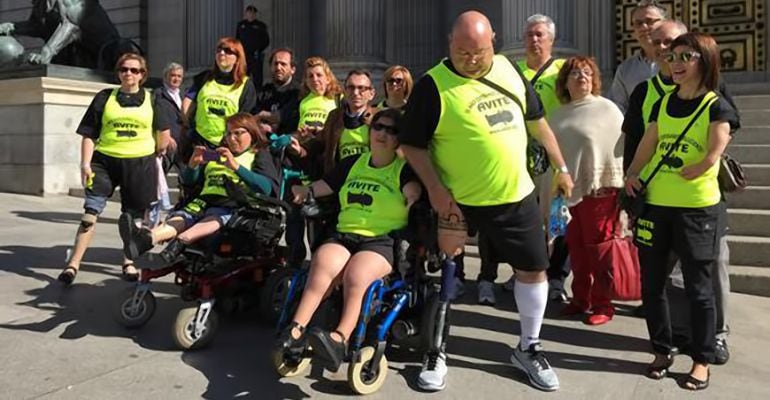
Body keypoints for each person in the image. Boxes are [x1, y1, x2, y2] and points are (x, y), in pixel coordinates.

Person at [399, 11, 574, 392]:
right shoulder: (433, 85)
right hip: (457, 201)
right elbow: (411, 145)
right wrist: (436, 190)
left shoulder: (510, 71)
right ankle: (436, 349)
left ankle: (529, 347)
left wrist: (561, 166)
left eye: (479, 52)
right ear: (449, 43)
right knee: (447, 270)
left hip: (515, 195)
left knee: (533, 269)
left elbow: (537, 121)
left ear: (493, 40)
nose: (472, 60)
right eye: (463, 53)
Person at [624, 32, 739, 391]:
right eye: (672, 56)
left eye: (685, 56)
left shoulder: (715, 104)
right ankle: (661, 349)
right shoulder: (663, 103)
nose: (675, 63)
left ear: (704, 61)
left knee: (699, 289)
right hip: (657, 205)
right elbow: (648, 142)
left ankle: (702, 359)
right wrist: (632, 174)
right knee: (653, 285)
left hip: (697, 210)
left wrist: (706, 161)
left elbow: (718, 144)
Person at [274, 109, 421, 373]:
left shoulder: (404, 169)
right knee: (322, 265)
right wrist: (303, 191)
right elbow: (324, 186)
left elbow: (413, 191)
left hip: (382, 240)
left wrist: (412, 198)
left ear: (399, 138)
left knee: (357, 274)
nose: (383, 134)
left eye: (391, 130)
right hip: (344, 233)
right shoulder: (354, 163)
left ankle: (340, 338)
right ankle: (295, 330)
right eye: (379, 127)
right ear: (370, 130)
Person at [56, 53, 172, 285]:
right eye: (124, 69)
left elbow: (164, 135)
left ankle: (128, 262)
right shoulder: (104, 97)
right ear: (118, 72)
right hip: (105, 162)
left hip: (139, 164)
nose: (129, 74)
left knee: (131, 220)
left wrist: (155, 151)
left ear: (143, 75)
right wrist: (85, 163)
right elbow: (89, 134)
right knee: (90, 215)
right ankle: (73, 265)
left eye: (134, 70)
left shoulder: (152, 99)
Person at [476, 13, 568, 306]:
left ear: (552, 39)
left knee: (555, 219)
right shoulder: (510, 71)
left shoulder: (564, 71)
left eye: (540, 34)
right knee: (511, 218)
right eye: (529, 34)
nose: (534, 39)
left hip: (552, 157)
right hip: (515, 158)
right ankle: (504, 274)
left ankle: (554, 277)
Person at [119, 113, 279, 262]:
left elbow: (266, 187)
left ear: (251, 133)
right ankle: (143, 240)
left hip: (233, 204)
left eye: (238, 133)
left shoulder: (258, 154)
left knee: (216, 216)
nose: (232, 138)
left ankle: (180, 242)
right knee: (183, 216)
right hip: (204, 200)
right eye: (229, 133)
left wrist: (236, 167)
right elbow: (190, 182)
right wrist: (193, 165)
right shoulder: (218, 154)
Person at [546, 56, 625, 325]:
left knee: (599, 249)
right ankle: (581, 298)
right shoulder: (557, 115)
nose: (582, 77)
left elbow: (616, 151)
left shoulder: (608, 110)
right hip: (568, 194)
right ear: (564, 82)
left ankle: (603, 303)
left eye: (588, 73)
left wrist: (609, 182)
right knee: (577, 249)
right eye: (575, 73)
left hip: (599, 192)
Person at [183, 37, 257, 160]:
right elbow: (187, 103)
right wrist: (190, 126)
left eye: (228, 51)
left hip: (229, 147)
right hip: (201, 143)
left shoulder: (246, 84)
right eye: (219, 50)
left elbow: (246, 119)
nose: (222, 53)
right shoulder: (204, 77)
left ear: (237, 58)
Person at [607, 0, 666, 113]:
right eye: (638, 23)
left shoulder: (681, 62)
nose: (644, 27)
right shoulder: (625, 70)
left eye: (650, 21)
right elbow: (617, 110)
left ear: (664, 23)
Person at [253, 48, 300, 135]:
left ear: (292, 69)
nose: (278, 67)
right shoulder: (262, 92)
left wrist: (262, 115)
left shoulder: (298, 92)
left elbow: (286, 116)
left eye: (283, 64)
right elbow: (253, 116)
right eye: (275, 64)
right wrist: (260, 125)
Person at [155, 62, 185, 170]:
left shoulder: (183, 95)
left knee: (185, 176)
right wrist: (167, 137)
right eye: (173, 75)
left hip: (182, 142)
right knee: (160, 174)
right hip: (167, 142)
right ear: (166, 76)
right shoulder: (158, 95)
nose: (176, 79)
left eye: (179, 76)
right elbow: (157, 119)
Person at [236, 5, 270, 88]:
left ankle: (258, 95)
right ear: (246, 14)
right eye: (249, 13)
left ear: (255, 14)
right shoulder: (241, 25)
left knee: (257, 78)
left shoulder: (261, 26)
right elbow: (237, 39)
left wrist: (259, 50)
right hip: (244, 55)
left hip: (256, 56)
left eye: (252, 13)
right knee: (243, 76)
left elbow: (266, 41)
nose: (250, 15)